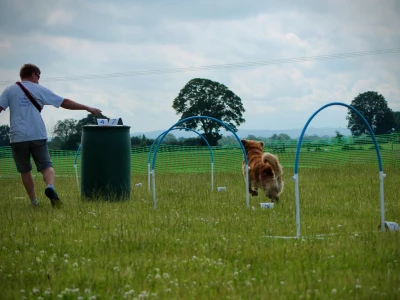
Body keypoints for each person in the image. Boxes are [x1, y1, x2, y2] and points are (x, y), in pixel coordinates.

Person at [0, 63, 102, 207]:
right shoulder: (39, 89)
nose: (38, 80)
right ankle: (50, 187)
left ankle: (34, 201)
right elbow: (64, 102)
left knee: (25, 170)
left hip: (17, 137)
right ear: (33, 74)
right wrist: (87, 107)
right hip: (37, 135)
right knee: (46, 167)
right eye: (38, 76)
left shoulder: (9, 90)